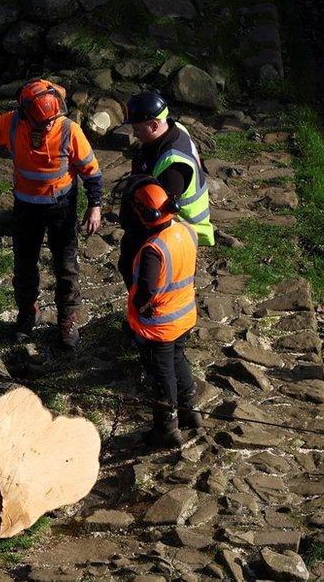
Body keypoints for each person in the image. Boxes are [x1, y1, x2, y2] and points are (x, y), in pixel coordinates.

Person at [0, 78, 103, 349]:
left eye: (51, 120)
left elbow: (92, 172)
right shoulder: (10, 124)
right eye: (42, 122)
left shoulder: (69, 130)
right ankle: (26, 316)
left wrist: (95, 206)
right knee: (24, 265)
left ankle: (67, 319)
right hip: (26, 209)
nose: (47, 126)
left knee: (66, 267)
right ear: (24, 114)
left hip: (61, 207)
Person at [126, 180, 204, 447]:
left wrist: (137, 305)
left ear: (144, 214)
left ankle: (166, 428)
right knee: (178, 359)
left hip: (159, 325)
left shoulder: (153, 250)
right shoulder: (186, 231)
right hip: (184, 315)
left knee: (161, 375)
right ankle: (190, 410)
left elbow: (147, 289)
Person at [118, 91, 214, 289]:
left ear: (154, 125)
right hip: (174, 225)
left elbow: (159, 215)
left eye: (137, 128)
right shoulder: (174, 128)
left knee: (149, 277)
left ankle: (145, 314)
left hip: (178, 229)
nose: (134, 134)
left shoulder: (173, 166)